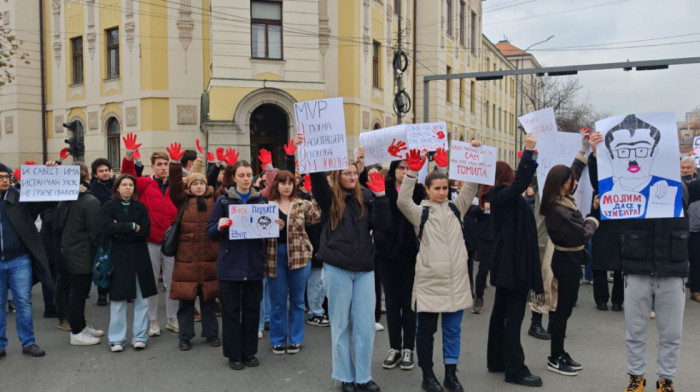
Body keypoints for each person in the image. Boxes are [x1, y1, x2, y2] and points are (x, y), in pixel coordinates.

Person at [590, 131, 700, 392]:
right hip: (637, 270)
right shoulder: (628, 188)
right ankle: (636, 378)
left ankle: (665, 380)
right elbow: (605, 186)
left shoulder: (683, 189)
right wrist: (598, 156)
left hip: (672, 273)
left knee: (671, 335)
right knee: (634, 334)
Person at [397, 146, 479, 392]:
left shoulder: (457, 208)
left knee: (452, 332)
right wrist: (412, 172)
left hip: (456, 283)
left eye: (445, 188)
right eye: (437, 188)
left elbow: (471, 187)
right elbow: (402, 200)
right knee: (426, 333)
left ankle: (451, 375)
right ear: (428, 190)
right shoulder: (419, 212)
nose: (442, 192)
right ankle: (428, 375)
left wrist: (474, 156)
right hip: (430, 284)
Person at [309, 148, 390, 392]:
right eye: (346, 173)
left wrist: (382, 196)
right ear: (336, 176)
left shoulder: (367, 196)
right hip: (337, 268)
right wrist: (310, 151)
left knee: (365, 327)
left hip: (364, 269)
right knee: (341, 325)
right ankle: (345, 376)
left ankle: (364, 377)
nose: (352, 177)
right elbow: (317, 182)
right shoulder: (329, 199)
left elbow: (383, 226)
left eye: (354, 172)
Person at [207, 152, 275, 370]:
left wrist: (275, 226)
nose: (246, 178)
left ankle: (249, 352)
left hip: (253, 264)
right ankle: (234, 354)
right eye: (242, 175)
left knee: (252, 311)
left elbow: (266, 227)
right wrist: (220, 225)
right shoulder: (223, 200)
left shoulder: (260, 200)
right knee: (231, 312)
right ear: (234, 177)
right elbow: (210, 231)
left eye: (249, 175)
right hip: (230, 265)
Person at [486, 134, 544, 387]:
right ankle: (515, 369)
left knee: (500, 314)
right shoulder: (501, 194)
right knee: (514, 318)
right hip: (514, 266)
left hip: (508, 264)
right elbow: (519, 185)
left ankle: (497, 360)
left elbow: (519, 187)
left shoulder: (503, 196)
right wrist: (528, 152)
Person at [539, 132, 599, 377]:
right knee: (561, 310)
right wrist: (592, 219)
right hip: (564, 261)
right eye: (570, 181)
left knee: (564, 309)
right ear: (561, 184)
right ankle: (555, 356)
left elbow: (572, 171)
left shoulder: (561, 198)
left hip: (569, 260)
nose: (574, 183)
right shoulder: (558, 209)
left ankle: (560, 351)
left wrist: (583, 150)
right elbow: (581, 234)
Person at [260, 146, 321, 355]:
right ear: (276, 184)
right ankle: (277, 339)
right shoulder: (267, 205)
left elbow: (317, 219)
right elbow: (257, 229)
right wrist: (272, 229)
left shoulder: (302, 204)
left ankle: (295, 339)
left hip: (300, 256)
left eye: (290, 183)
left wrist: (313, 193)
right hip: (274, 255)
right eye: (283, 182)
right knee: (277, 301)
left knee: (296, 301)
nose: (286, 186)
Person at [370, 158, 426, 372]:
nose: (404, 171)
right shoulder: (382, 188)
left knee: (409, 303)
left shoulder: (418, 190)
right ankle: (394, 347)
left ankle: (408, 349)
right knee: (392, 304)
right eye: (400, 168)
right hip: (386, 254)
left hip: (412, 254)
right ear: (393, 171)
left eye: (407, 167)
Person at [121, 133, 179, 336]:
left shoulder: (175, 184)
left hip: (171, 241)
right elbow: (127, 177)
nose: (163, 167)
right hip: (151, 240)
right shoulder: (145, 183)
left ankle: (172, 318)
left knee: (172, 282)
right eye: (160, 164)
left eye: (166, 163)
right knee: (151, 282)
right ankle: (153, 321)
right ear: (152, 166)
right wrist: (128, 156)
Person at [166, 142, 221, 351]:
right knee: (186, 301)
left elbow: (225, 187)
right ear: (189, 186)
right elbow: (174, 185)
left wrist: (224, 166)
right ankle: (185, 337)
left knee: (208, 300)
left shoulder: (213, 200)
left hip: (208, 259)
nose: (198, 186)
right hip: (186, 260)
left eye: (201, 183)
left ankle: (212, 334)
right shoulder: (182, 200)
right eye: (194, 183)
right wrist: (174, 164)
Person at [0, 161, 56, 358]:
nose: (5, 180)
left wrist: (48, 174)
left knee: (23, 301)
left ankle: (28, 343)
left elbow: (43, 199)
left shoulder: (20, 198)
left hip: (19, 260)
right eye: (1, 177)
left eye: (7, 177)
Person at [103, 174, 157, 352]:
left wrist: (121, 229)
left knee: (142, 300)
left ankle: (140, 336)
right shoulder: (109, 206)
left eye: (131, 185)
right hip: (119, 257)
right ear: (117, 188)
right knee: (118, 301)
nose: (128, 188)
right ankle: (116, 339)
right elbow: (108, 228)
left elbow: (146, 231)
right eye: (124, 184)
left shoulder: (140, 206)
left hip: (139, 256)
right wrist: (132, 226)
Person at [56, 163, 105, 346]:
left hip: (68, 251)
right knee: (78, 294)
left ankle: (81, 326)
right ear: (87, 178)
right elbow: (95, 232)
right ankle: (77, 332)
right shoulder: (90, 201)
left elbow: (59, 225)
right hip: (82, 254)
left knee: (76, 293)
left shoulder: (64, 200)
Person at [468, 186, 494, 315]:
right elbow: (471, 214)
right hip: (485, 238)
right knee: (483, 269)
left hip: (500, 238)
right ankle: (479, 298)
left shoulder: (504, 195)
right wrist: (482, 207)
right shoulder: (483, 196)